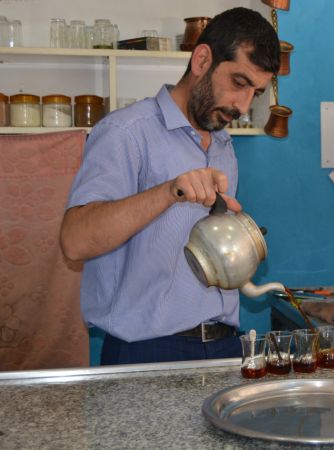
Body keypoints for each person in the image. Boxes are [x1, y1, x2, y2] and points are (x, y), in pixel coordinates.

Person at [59, 7, 280, 365]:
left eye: (255, 92)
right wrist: (169, 191)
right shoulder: (125, 134)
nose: (243, 105)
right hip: (147, 351)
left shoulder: (223, 144)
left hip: (225, 346)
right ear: (202, 59)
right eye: (239, 83)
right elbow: (74, 241)